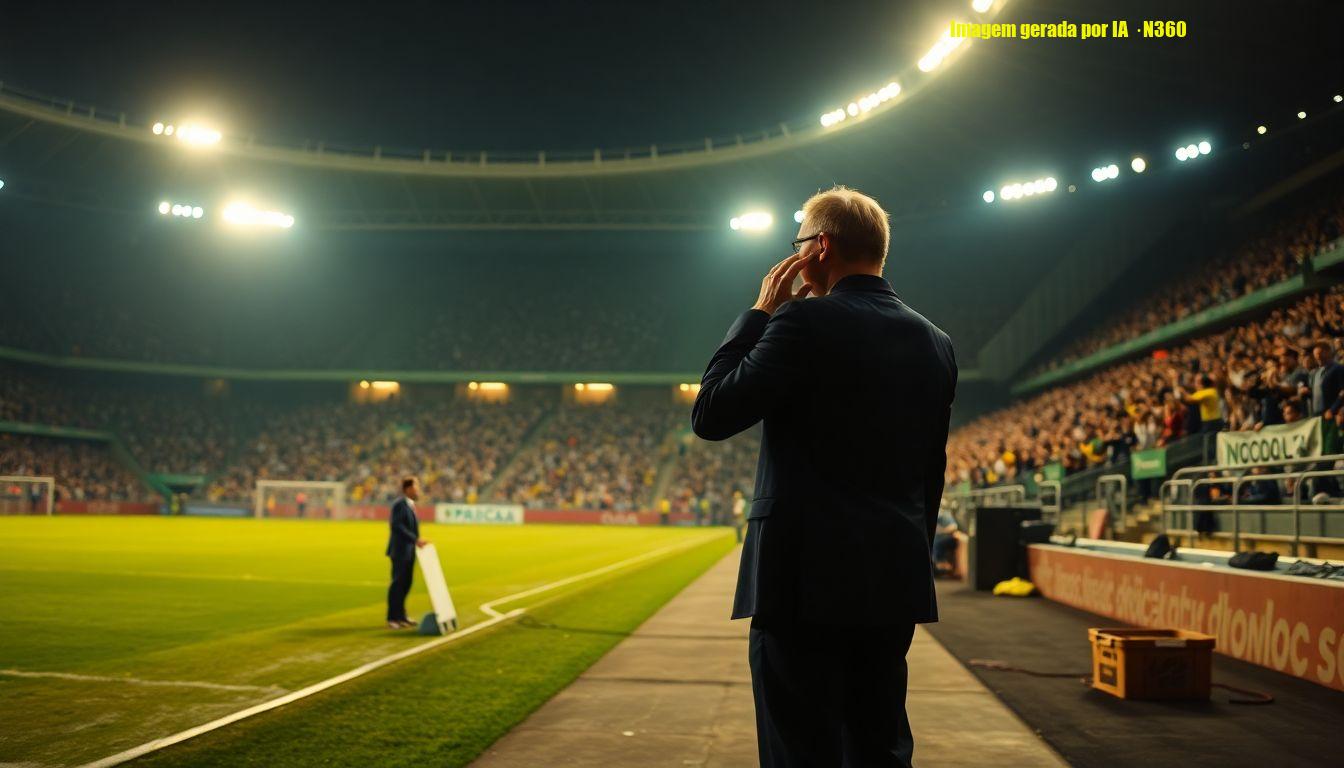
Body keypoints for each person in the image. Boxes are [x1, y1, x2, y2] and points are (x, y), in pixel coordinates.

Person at [692, 186, 957, 768]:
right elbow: (930, 474)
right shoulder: (937, 342)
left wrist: (760, 313)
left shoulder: (801, 320)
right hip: (893, 578)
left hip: (802, 583)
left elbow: (711, 413)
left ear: (821, 247)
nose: (794, 254)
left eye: (799, 243)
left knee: (801, 748)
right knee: (879, 748)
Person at [385, 475, 429, 629]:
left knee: (406, 584)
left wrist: (416, 541)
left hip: (409, 551)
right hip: (400, 551)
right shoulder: (400, 504)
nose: (418, 490)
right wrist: (415, 539)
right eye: (416, 487)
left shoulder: (409, 505)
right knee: (397, 584)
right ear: (408, 489)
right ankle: (392, 618)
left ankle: (401, 616)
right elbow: (396, 525)